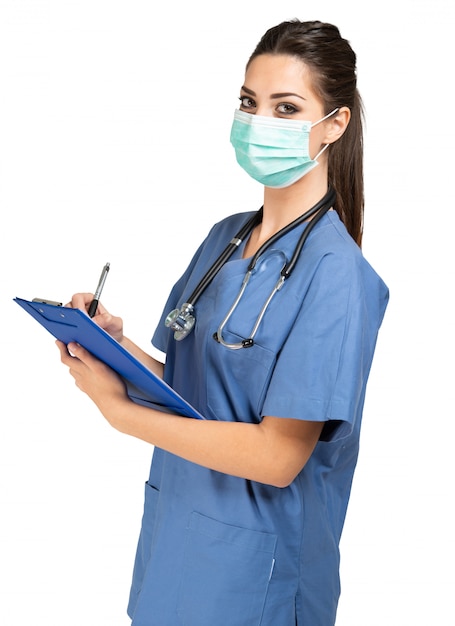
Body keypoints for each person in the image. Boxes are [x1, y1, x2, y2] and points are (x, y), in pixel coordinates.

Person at [57, 19, 389, 626]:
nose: (259, 123)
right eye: (249, 103)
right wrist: (113, 346)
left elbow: (277, 457)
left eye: (286, 108)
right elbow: (192, 390)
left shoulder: (339, 276)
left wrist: (119, 413)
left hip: (256, 581)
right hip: (175, 549)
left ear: (334, 125)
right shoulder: (224, 237)